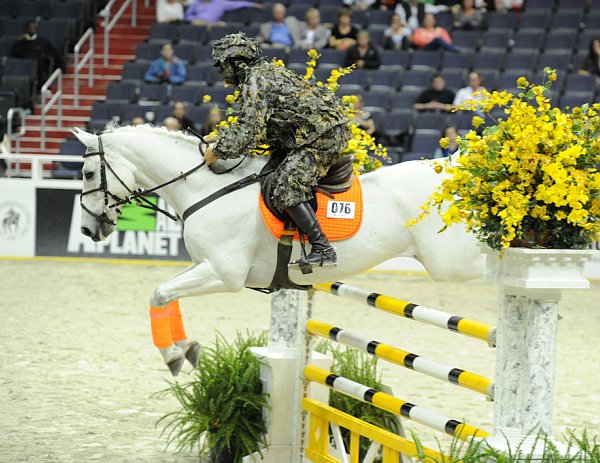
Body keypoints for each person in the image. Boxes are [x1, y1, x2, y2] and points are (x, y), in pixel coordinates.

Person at [202, 33, 351, 267]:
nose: (221, 71)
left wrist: (218, 150)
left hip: (322, 137)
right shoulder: (262, 74)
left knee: (286, 186)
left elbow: (251, 132)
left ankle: (322, 249)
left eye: (223, 64)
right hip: (306, 134)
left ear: (235, 62)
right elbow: (260, 125)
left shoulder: (256, 80)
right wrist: (222, 135)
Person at [9, 20, 65, 88]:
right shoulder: (21, 42)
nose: (33, 29)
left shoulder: (42, 41)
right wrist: (18, 41)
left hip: (38, 70)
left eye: (34, 27)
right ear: (26, 29)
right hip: (23, 69)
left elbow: (54, 54)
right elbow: (13, 54)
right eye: (30, 28)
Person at [185, 0, 261, 25]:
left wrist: (253, 4)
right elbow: (187, 15)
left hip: (213, 25)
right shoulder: (195, 3)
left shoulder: (220, 2)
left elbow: (236, 4)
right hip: (198, 24)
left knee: (222, 25)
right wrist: (194, 20)